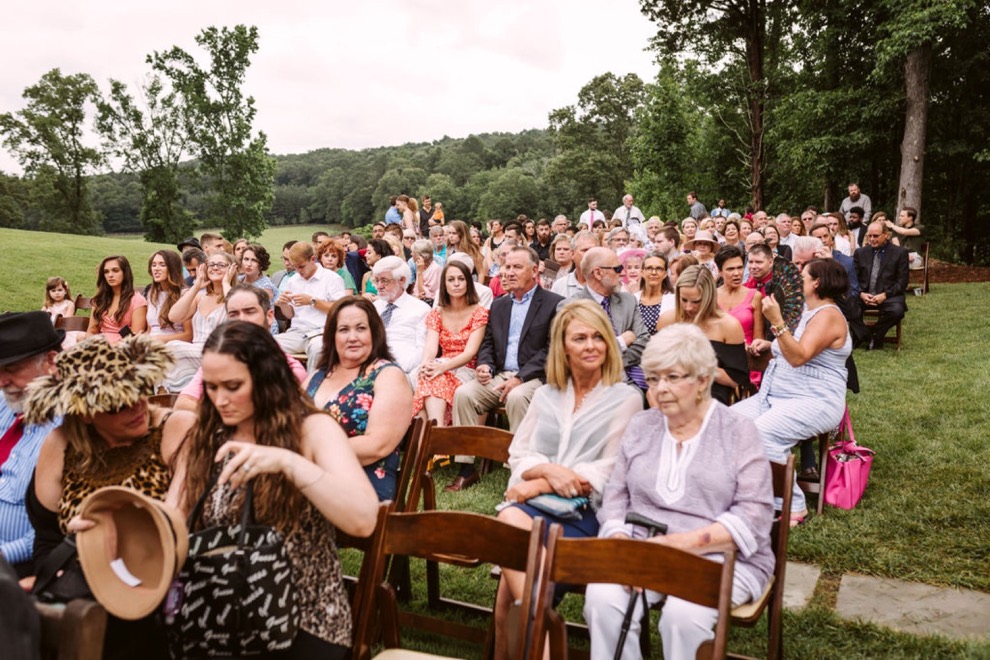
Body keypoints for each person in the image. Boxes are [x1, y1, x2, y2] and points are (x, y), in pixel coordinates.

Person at [169, 321, 378, 659]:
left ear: (267, 379)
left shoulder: (312, 430)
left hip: (303, 618)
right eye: (211, 387)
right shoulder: (204, 437)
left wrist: (289, 463)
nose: (220, 400)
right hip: (217, 612)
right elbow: (172, 522)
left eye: (233, 386)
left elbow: (363, 519)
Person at [584, 324, 774, 660]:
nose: (660, 390)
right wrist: (623, 546)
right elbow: (614, 497)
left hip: (723, 555)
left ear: (703, 380)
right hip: (643, 548)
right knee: (602, 600)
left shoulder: (738, 431)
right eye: (654, 379)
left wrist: (673, 548)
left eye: (673, 378)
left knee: (682, 618)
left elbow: (754, 516)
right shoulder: (642, 426)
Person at [25, 334, 196, 658]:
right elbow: (46, 538)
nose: (137, 407)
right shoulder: (61, 443)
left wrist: (113, 526)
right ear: (86, 413)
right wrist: (64, 558)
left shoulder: (176, 427)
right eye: (118, 404)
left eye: (139, 391)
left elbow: (177, 525)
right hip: (78, 584)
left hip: (156, 592)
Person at [493, 301, 643, 657]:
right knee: (509, 595)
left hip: (588, 515)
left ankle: (536, 644)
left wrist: (537, 484)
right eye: (580, 338)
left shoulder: (626, 398)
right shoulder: (546, 395)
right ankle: (540, 633)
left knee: (509, 545)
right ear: (563, 346)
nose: (591, 345)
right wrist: (548, 472)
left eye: (598, 337)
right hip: (537, 511)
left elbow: (610, 470)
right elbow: (519, 452)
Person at [733, 258, 850, 523]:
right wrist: (769, 345)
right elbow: (790, 347)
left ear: (817, 282)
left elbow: (799, 356)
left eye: (804, 276)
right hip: (777, 396)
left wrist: (776, 321)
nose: (799, 279)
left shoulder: (829, 315)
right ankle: (748, 492)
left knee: (763, 432)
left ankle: (793, 506)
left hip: (814, 401)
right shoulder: (808, 312)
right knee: (726, 422)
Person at [450, 247, 565, 491]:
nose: (509, 272)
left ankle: (518, 470)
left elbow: (551, 349)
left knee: (516, 396)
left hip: (535, 377)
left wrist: (521, 378)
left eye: (516, 267)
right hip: (500, 375)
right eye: (507, 267)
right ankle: (467, 467)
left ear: (535, 271)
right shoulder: (500, 305)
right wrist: (484, 365)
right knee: (464, 394)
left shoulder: (553, 303)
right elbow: (488, 342)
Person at [304, 298, 413, 500]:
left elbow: (377, 445)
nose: (352, 337)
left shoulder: (387, 376)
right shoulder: (316, 376)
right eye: (343, 329)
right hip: (308, 479)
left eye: (361, 328)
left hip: (360, 488)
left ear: (374, 333)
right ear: (332, 336)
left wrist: (306, 454)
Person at [174, 285, 307, 411]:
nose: (242, 319)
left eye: (250, 312)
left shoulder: (289, 369)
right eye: (234, 314)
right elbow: (183, 404)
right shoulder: (218, 361)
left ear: (269, 316)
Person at [0, 312, 62, 578]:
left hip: (17, 570)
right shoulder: (5, 402)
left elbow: (47, 534)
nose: (3, 381)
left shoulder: (71, 427)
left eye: (12, 369)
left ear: (51, 361)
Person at [413, 260, 490, 427]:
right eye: (451, 279)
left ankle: (433, 439)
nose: (456, 284)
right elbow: (431, 347)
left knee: (434, 380)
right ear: (444, 284)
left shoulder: (479, 312)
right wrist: (426, 365)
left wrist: (441, 368)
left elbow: (470, 352)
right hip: (442, 364)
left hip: (466, 367)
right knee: (425, 376)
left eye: (461, 279)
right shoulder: (437, 313)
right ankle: (435, 440)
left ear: (468, 283)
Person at [657, 265, 748, 405]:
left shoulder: (728, 325)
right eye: (684, 300)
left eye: (696, 301)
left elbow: (735, 380)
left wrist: (699, 366)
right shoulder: (667, 320)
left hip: (709, 395)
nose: (688, 307)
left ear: (709, 297)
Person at [566, 247, 651, 387]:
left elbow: (644, 341)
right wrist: (622, 342)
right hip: (591, 383)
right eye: (617, 269)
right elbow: (577, 354)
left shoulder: (628, 301)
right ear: (598, 273)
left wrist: (611, 360)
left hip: (630, 382)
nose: (623, 273)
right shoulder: (571, 308)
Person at [166, 251, 237, 390]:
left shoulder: (237, 294)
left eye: (221, 265)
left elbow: (236, 307)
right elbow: (174, 317)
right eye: (211, 264)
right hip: (196, 351)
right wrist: (196, 286)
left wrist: (226, 283)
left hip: (221, 351)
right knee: (170, 350)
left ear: (231, 269)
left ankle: (173, 393)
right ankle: (172, 393)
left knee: (174, 347)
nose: (215, 268)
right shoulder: (200, 297)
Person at [275, 242, 348, 369]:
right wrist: (283, 304)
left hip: (322, 332)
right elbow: (290, 315)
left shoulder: (332, 279)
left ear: (312, 259)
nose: (298, 271)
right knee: (264, 345)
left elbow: (340, 310)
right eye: (295, 267)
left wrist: (312, 301)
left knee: (318, 349)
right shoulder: (293, 280)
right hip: (297, 332)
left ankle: (312, 387)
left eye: (301, 266)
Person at [370, 256, 431, 376]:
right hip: (370, 364)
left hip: (402, 369)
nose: (379, 286)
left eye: (384, 280)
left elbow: (422, 350)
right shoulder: (373, 308)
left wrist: (394, 369)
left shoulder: (421, 310)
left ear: (401, 280)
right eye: (376, 280)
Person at [854, 221, 909, 349]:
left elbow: (902, 282)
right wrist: (861, 293)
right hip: (863, 294)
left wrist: (885, 295)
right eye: (869, 236)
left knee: (897, 311)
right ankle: (864, 335)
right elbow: (853, 279)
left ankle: (874, 336)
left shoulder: (899, 253)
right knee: (847, 306)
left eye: (876, 236)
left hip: (888, 295)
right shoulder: (860, 253)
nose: (872, 239)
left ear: (887, 235)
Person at [716, 246, 764, 387]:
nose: (736, 273)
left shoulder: (755, 296)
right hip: (718, 363)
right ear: (720, 271)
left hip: (746, 362)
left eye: (739, 268)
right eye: (730, 269)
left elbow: (758, 337)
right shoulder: (711, 296)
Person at [744, 244, 804, 338]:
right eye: (750, 262)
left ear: (771, 262)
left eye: (759, 262)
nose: (753, 266)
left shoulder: (782, 287)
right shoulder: (744, 288)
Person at [87, 255, 147, 343]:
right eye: (106, 272)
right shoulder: (99, 300)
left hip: (123, 349)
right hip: (98, 347)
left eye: (115, 270)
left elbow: (135, 339)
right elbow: (91, 331)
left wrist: (111, 347)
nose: (110, 275)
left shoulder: (138, 301)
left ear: (125, 272)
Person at [145, 250, 192, 343]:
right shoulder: (152, 294)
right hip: (150, 344)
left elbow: (189, 335)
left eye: (162, 265)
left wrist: (161, 340)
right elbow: (149, 331)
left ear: (172, 268)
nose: (156, 269)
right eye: (154, 265)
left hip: (173, 345)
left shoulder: (184, 294)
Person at [551, 231, 599, 300]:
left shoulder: (608, 284)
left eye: (593, 250)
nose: (589, 254)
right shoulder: (560, 286)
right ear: (572, 254)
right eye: (585, 250)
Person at [637, 252, 675, 335]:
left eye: (659, 268)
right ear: (642, 272)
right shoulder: (633, 299)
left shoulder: (673, 300)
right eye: (649, 268)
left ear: (665, 274)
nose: (654, 272)